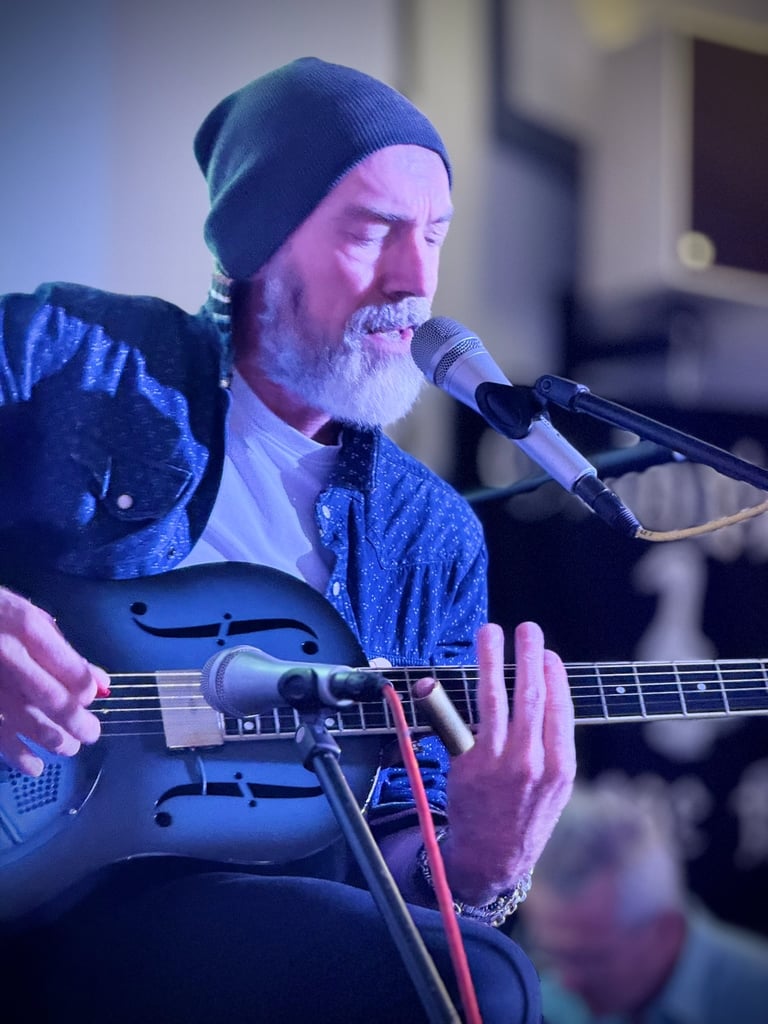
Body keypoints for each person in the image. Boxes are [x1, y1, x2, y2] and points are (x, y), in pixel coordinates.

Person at [0, 57, 576, 1022]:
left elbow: (395, 847)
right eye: (373, 230)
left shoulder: (431, 535)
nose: (416, 280)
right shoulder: (69, 355)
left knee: (474, 974)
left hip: (204, 919)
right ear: (255, 243)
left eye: (434, 234)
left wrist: (486, 859)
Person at [514, 780, 768, 1024]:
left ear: (665, 930)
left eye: (592, 959)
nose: (567, 982)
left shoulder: (757, 1001)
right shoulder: (544, 1000)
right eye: (552, 954)